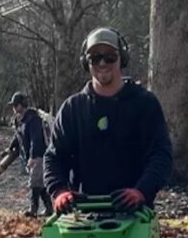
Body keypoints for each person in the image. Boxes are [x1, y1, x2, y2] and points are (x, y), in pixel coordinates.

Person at [43, 27, 172, 214]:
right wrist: (60, 191)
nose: (102, 63)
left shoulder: (145, 104)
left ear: (122, 58)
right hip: (83, 215)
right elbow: (54, 157)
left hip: (134, 213)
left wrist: (141, 191)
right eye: (95, 58)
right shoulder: (72, 108)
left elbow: (161, 155)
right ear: (86, 63)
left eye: (110, 56)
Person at [7, 92, 53, 218]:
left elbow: (36, 139)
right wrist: (10, 148)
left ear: (22, 105)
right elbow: (18, 136)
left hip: (39, 154)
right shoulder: (22, 120)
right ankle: (49, 208)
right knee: (40, 184)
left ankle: (33, 209)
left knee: (34, 182)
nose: (14, 108)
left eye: (16, 105)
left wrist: (33, 157)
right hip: (33, 155)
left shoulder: (33, 119)